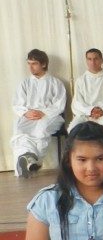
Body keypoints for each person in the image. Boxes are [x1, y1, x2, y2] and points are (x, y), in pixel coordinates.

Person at [11, 49, 66, 177]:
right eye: (29, 63)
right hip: (29, 116)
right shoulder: (25, 83)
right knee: (19, 129)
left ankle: (34, 161)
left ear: (44, 64)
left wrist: (43, 113)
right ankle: (26, 159)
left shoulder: (55, 83)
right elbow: (17, 104)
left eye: (34, 63)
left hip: (50, 116)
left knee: (42, 129)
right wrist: (26, 113)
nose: (30, 67)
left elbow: (59, 105)